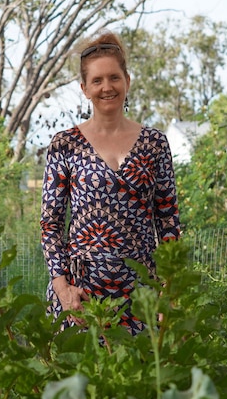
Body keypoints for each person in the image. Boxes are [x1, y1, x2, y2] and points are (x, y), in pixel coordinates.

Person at [40, 30, 181, 336]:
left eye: (114, 78)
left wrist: (168, 290)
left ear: (127, 81)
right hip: (82, 295)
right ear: (84, 88)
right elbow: (50, 224)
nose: (107, 87)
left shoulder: (154, 143)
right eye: (97, 80)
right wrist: (63, 289)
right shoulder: (65, 144)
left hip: (141, 293)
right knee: (80, 381)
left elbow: (168, 221)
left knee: (141, 378)